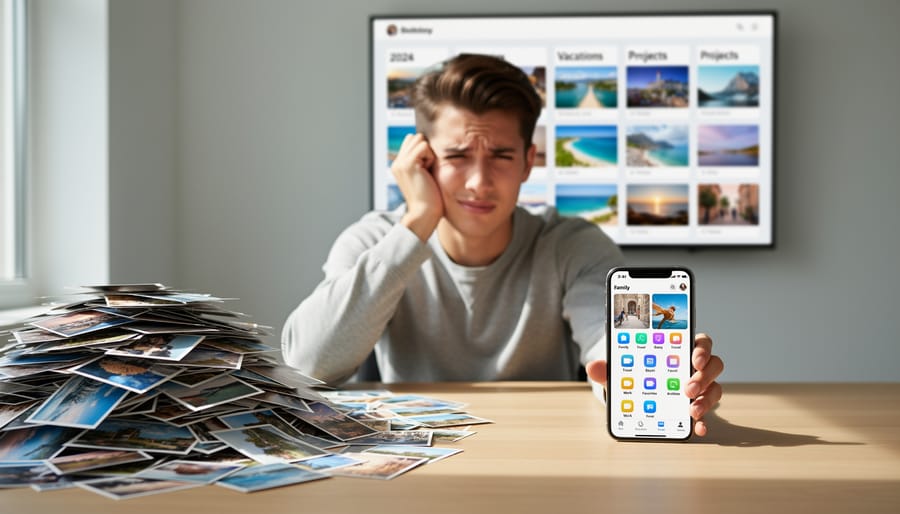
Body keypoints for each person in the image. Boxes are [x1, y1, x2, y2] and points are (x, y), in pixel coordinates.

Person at [282, 54, 724, 436]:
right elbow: (306, 366)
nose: (479, 182)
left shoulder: (574, 246)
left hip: (541, 454)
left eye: (501, 156)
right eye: (457, 156)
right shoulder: (374, 241)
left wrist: (656, 373)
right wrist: (416, 222)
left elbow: (606, 341)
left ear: (528, 162)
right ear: (421, 160)